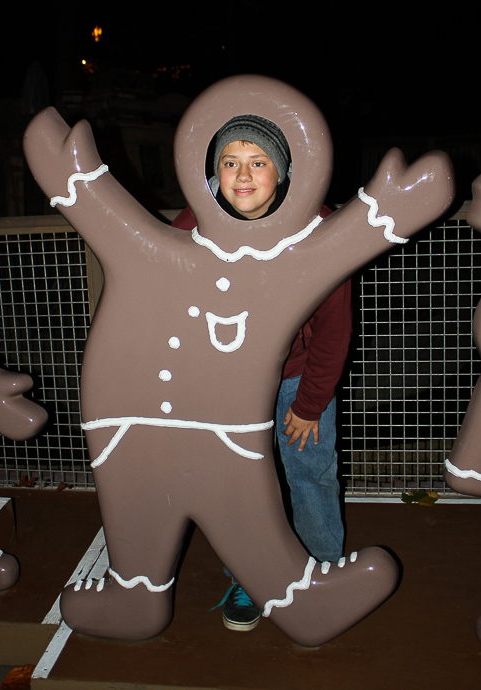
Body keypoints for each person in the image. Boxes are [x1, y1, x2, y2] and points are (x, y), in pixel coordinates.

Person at [172, 114, 352, 632]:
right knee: (240, 485)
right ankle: (249, 578)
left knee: (309, 475)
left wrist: (311, 402)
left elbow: (334, 327)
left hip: (298, 381)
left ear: (284, 172)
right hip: (228, 388)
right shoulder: (192, 226)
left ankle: (322, 575)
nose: (243, 176)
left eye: (258, 163)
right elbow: (169, 311)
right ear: (213, 173)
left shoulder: (316, 227)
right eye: (230, 163)